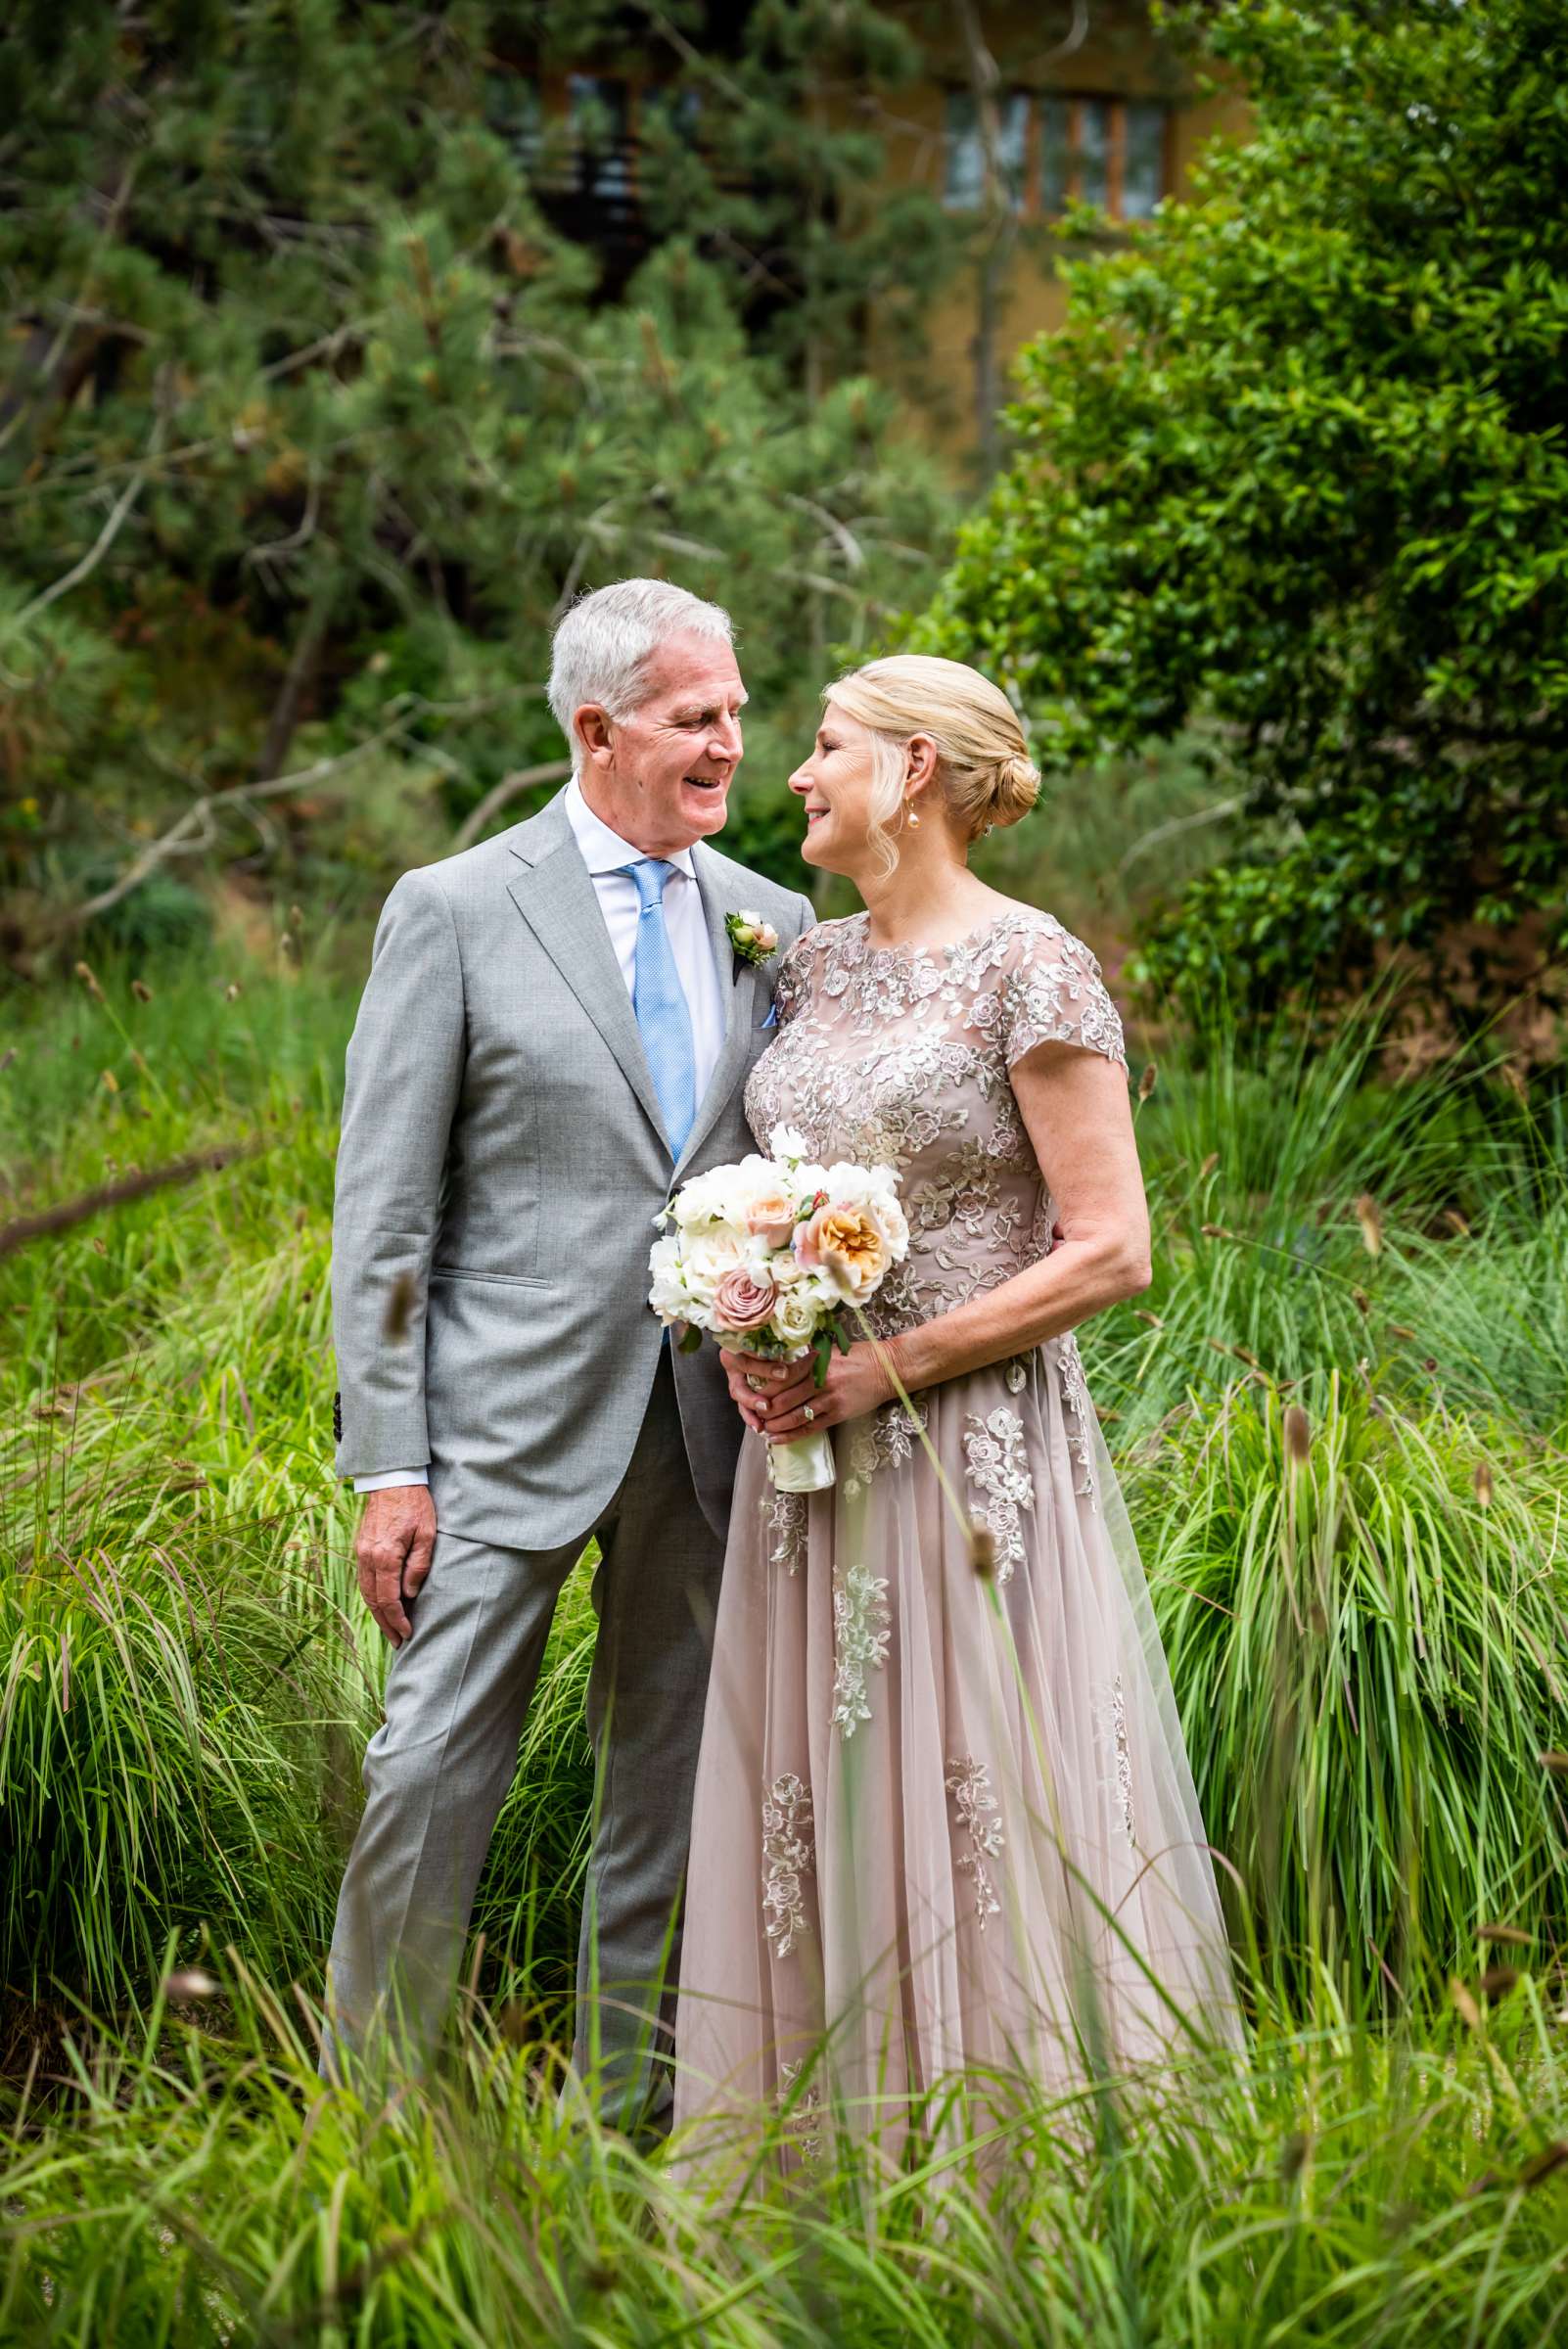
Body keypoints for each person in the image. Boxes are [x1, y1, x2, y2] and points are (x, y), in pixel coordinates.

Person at [672, 654, 1239, 2157]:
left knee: (981, 1786)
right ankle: (830, 2166)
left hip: (970, 1450)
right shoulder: (810, 965)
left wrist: (878, 1370)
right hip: (806, 1462)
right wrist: (755, 1315)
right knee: (826, 1792)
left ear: (913, 770)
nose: (793, 773)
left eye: (824, 745)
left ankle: (1013, 2171)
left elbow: (1111, 1247)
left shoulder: (1033, 965)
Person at [325, 577, 814, 2124]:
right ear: (597, 730)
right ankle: (372, 2122)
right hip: (498, 1434)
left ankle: (630, 2128)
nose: (732, 743)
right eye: (696, 718)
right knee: (425, 1775)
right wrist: (389, 1465)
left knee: (664, 1792)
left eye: (737, 711)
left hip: (703, 1429)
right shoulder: (457, 907)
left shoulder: (773, 919)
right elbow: (384, 1215)